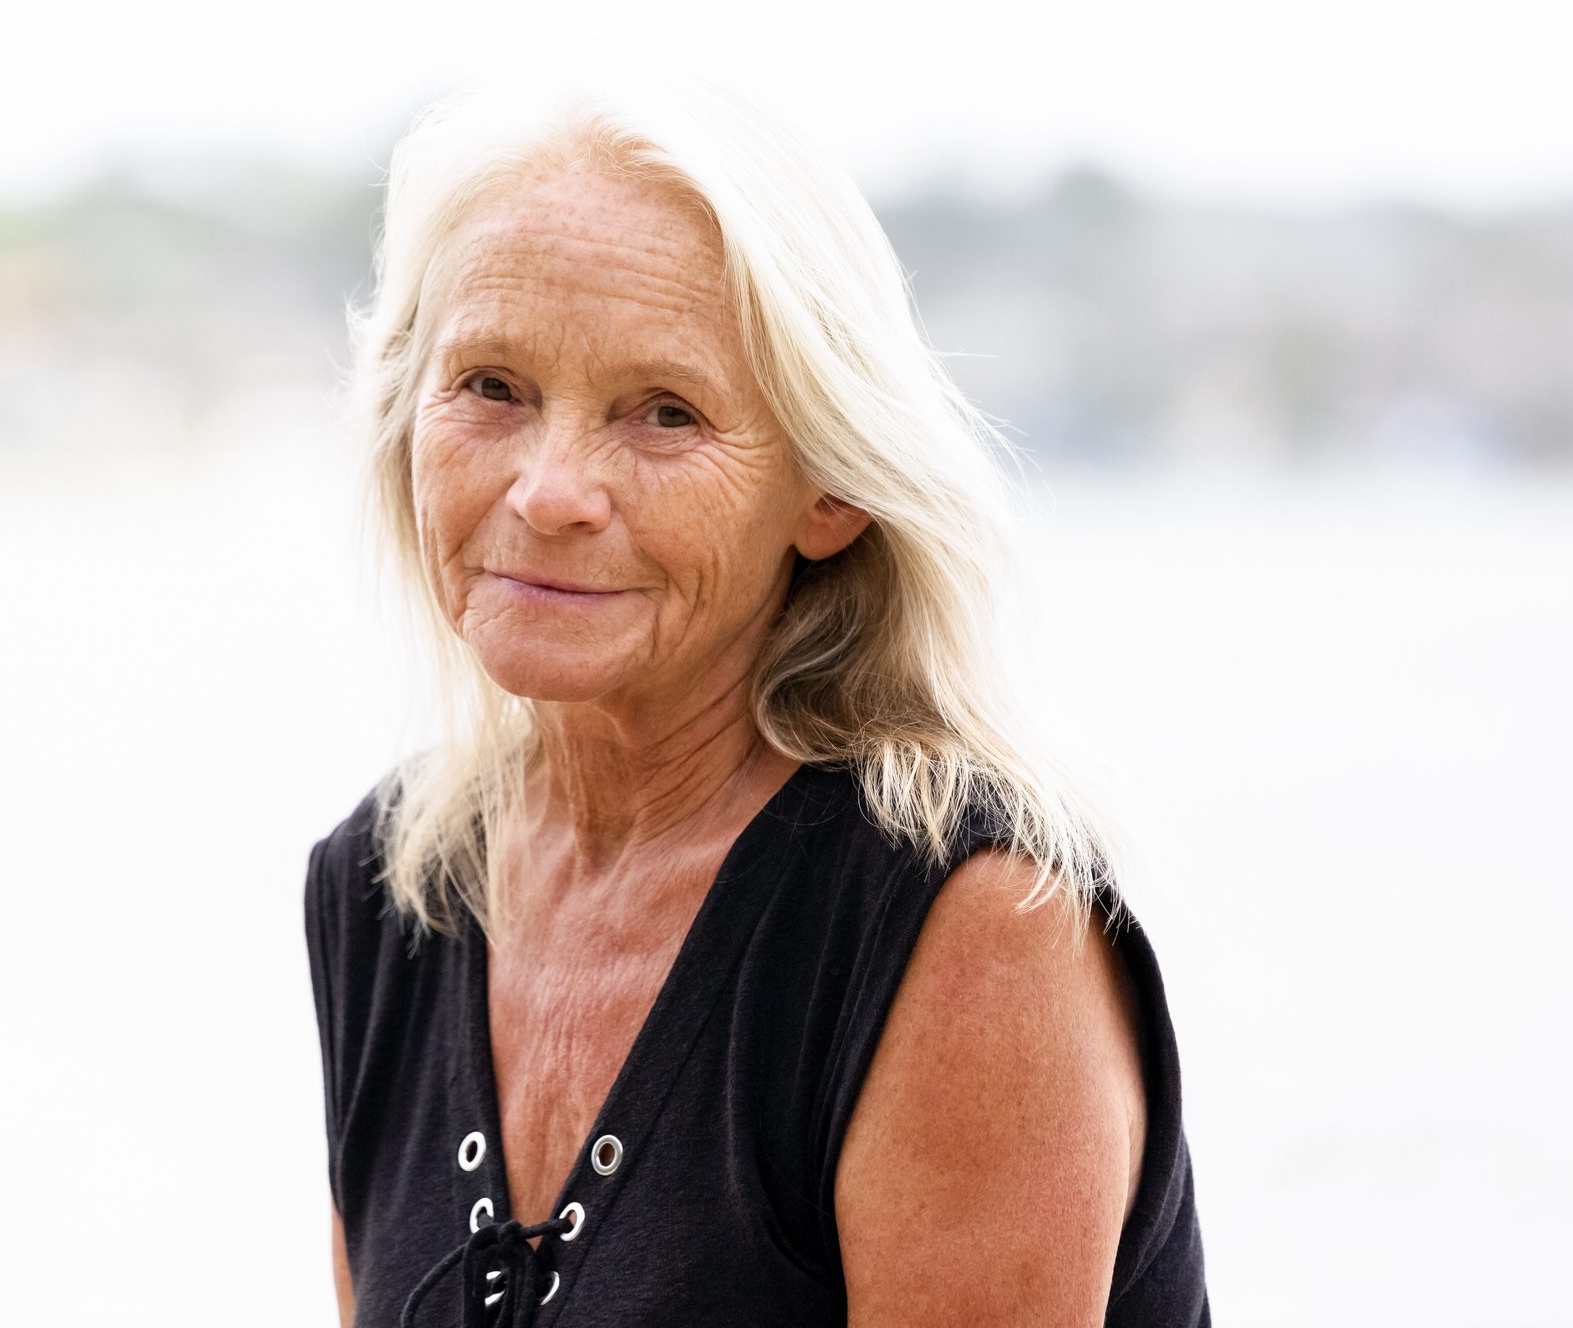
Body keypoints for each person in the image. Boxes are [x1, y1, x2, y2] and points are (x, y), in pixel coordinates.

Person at [303, 73, 1210, 1327]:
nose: (551, 490)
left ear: (830, 492)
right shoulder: (384, 888)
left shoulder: (969, 926)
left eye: (664, 413)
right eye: (492, 388)